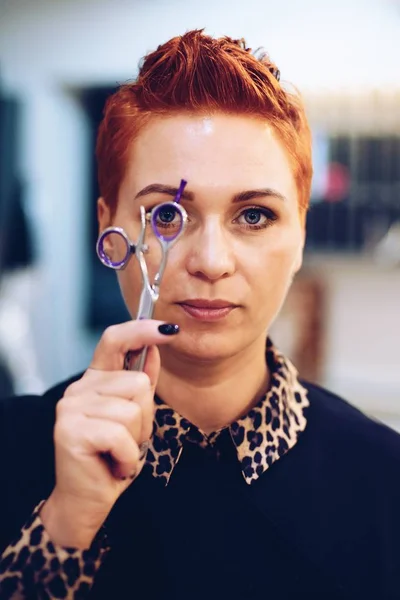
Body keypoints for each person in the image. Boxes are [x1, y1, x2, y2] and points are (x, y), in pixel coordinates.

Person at [1, 29, 399, 600]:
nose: (211, 262)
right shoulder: (13, 451)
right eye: (167, 215)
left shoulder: (385, 482)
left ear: (302, 233)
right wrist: (65, 524)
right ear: (107, 222)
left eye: (255, 216)